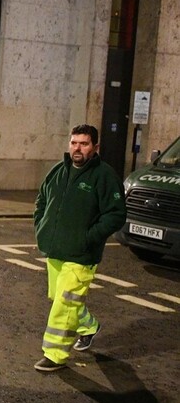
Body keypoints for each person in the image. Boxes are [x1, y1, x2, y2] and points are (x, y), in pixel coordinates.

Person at [33, 124, 126, 372]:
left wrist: (88, 238)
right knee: (60, 298)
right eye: (74, 142)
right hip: (55, 250)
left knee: (65, 303)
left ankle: (55, 354)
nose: (77, 148)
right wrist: (41, 226)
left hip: (82, 255)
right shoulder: (58, 170)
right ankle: (89, 327)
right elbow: (42, 199)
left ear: (95, 148)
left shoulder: (104, 176)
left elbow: (115, 215)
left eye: (84, 144)